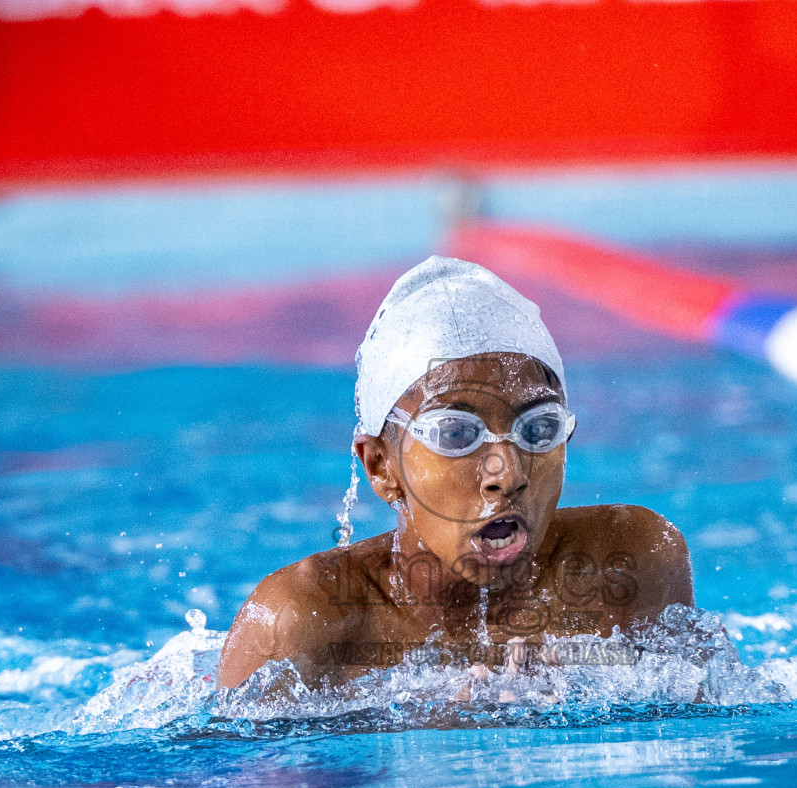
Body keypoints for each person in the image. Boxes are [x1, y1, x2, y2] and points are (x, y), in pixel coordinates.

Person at [216, 256, 693, 691]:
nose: (507, 474)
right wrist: (442, 725)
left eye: (540, 429)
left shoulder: (631, 562)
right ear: (382, 466)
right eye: (455, 434)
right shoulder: (303, 622)